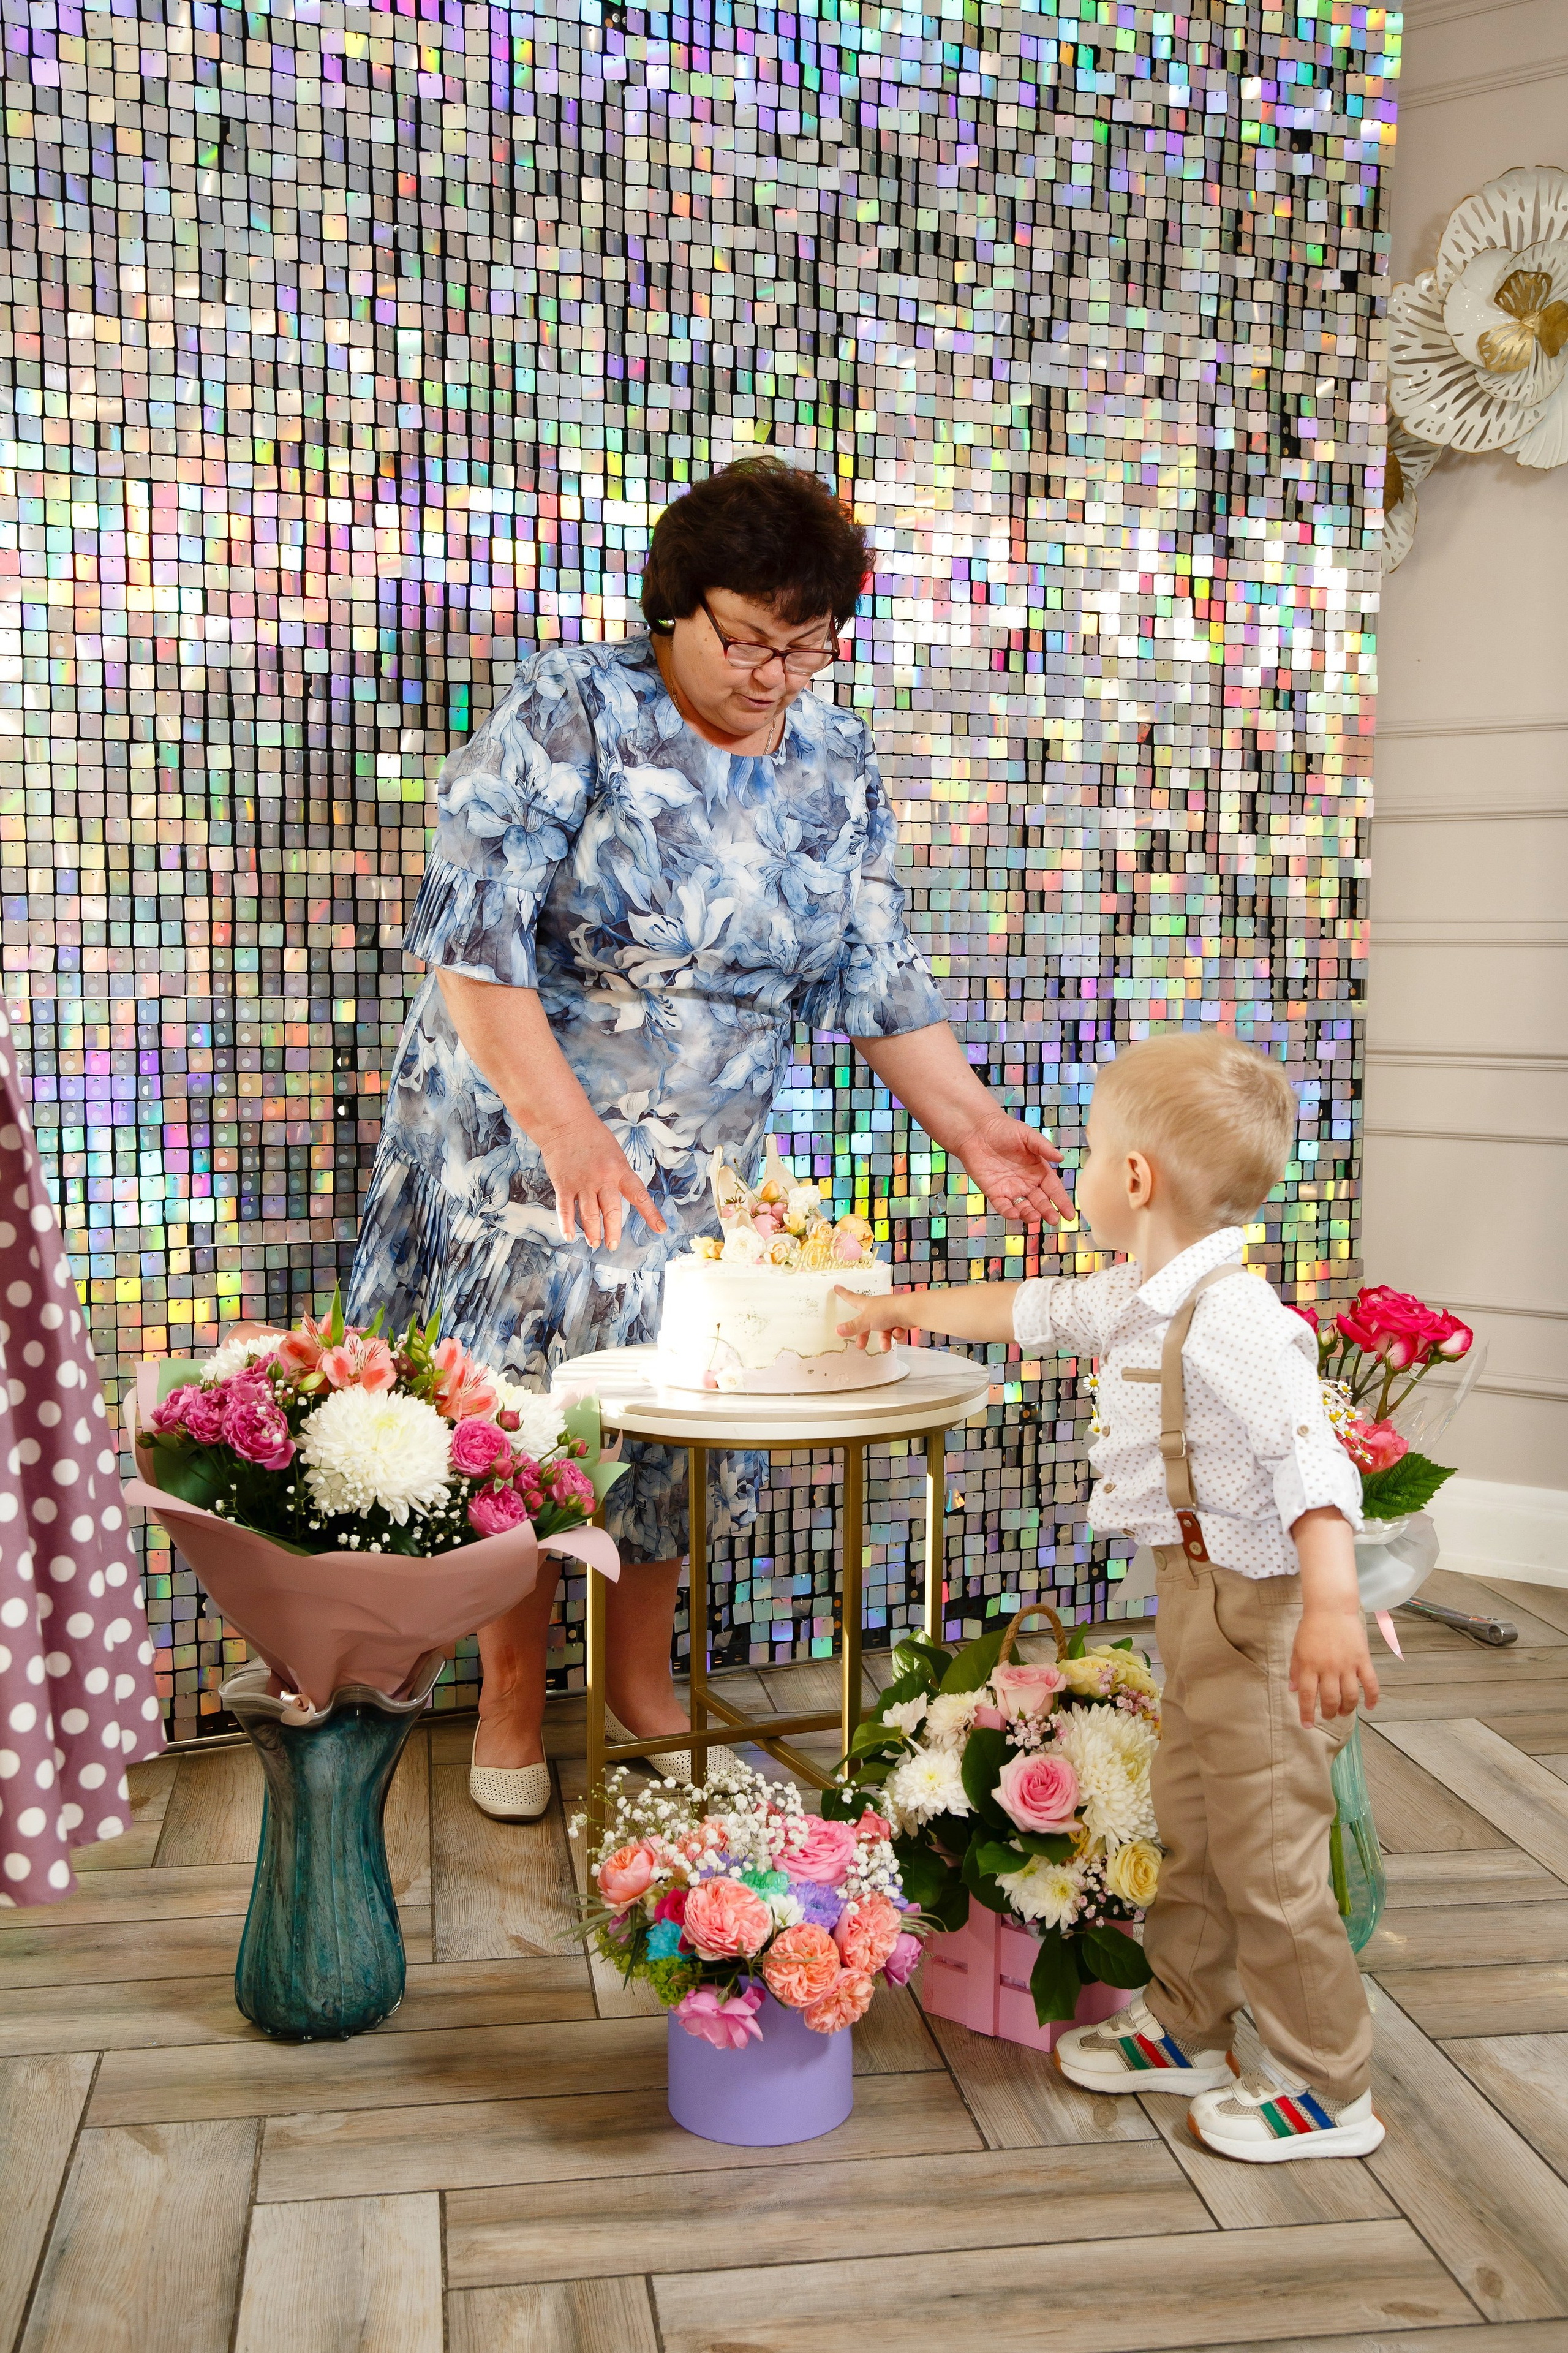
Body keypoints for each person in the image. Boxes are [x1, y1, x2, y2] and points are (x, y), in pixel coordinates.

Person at [347, 456, 1072, 1822]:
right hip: (520, 1133)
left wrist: (975, 1128)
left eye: (806, 648)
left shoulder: (834, 756)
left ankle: (640, 1690)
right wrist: (565, 1135)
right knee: (527, 1415)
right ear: (675, 605)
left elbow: (871, 968)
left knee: (678, 1424)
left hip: (702, 1149)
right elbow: (473, 939)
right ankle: (512, 1695)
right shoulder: (575, 710)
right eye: (749, 640)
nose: (774, 674)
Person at [835, 1029, 1384, 2163]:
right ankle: (1190, 2016)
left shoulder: (1235, 1316)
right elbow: (1027, 1311)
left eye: (1085, 1153)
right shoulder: (1137, 1292)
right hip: (1195, 1597)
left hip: (1264, 1613)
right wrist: (903, 1309)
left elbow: (1310, 1456)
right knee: (1195, 1825)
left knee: (1272, 1854)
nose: (1075, 1173)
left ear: (1134, 1180)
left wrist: (1331, 1600)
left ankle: (1329, 2083)